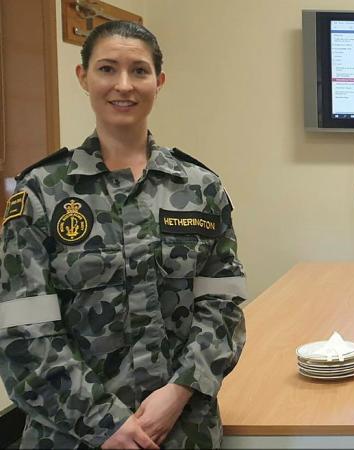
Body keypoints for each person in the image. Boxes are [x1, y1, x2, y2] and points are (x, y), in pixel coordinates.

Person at [0, 21, 246, 449]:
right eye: (107, 69)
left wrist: (178, 393)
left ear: (159, 81)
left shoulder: (200, 188)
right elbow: (22, 332)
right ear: (84, 77)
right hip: (71, 435)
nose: (124, 85)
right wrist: (104, 423)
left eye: (139, 71)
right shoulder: (41, 192)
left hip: (181, 430)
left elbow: (222, 308)